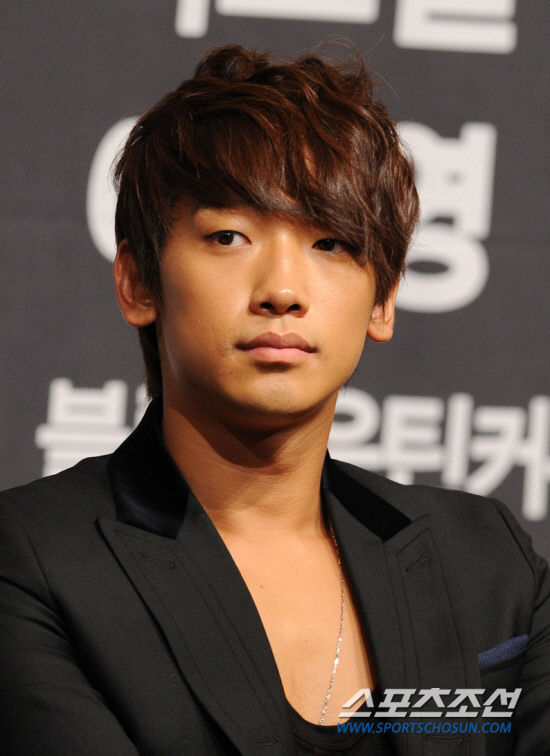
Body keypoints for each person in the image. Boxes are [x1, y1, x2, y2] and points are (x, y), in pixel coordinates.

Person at [0, 44, 549, 756]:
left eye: (331, 243)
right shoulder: (33, 559)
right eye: (229, 236)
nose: (282, 290)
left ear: (383, 300)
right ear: (137, 281)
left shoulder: (486, 563)